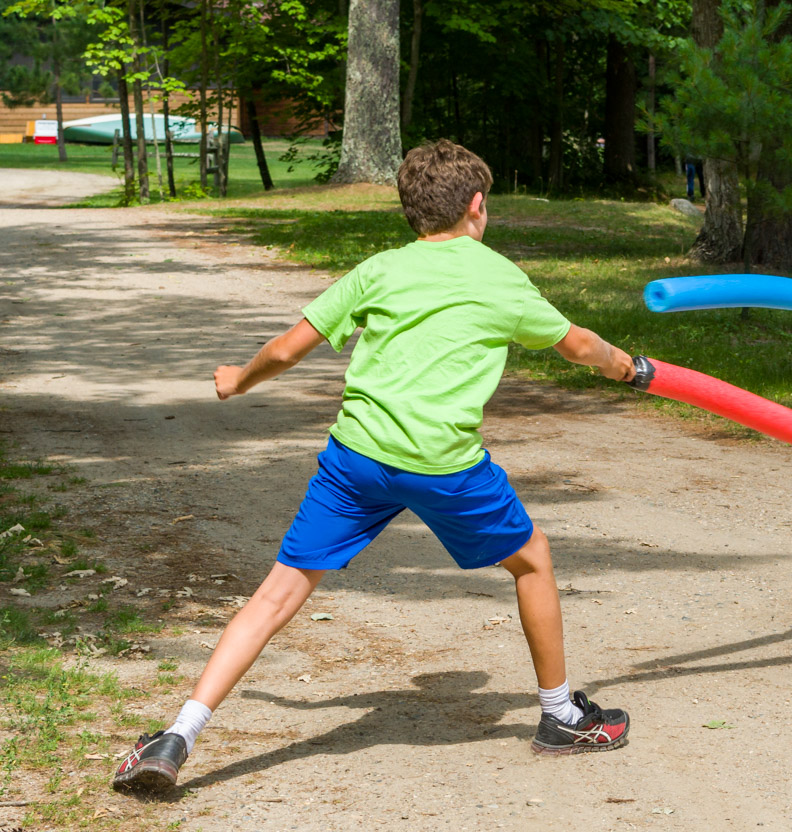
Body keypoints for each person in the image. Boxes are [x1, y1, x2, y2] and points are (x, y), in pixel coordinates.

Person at [113, 140, 635, 792]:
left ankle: (178, 735)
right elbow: (579, 345)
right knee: (532, 557)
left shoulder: (380, 269)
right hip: (444, 466)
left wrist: (237, 380)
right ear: (477, 207)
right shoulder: (501, 276)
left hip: (357, 458)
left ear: (413, 213)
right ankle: (560, 717)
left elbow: (287, 347)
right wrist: (626, 368)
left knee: (279, 592)